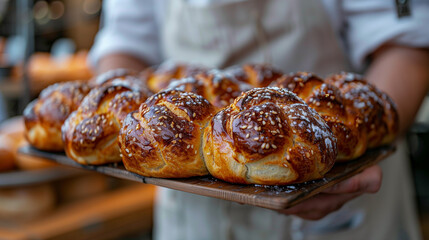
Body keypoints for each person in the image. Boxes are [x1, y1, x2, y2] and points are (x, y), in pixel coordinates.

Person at [89, 0, 429, 239]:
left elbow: (407, 45)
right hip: (192, 207)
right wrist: (129, 120)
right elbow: (124, 45)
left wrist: (345, 157)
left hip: (337, 194)